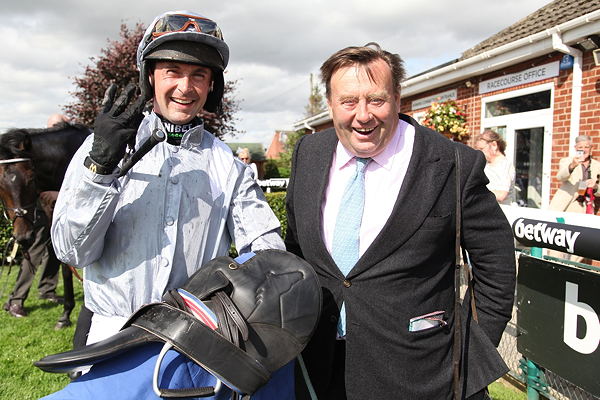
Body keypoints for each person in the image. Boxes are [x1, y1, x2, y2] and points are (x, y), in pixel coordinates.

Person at [285, 43, 516, 399]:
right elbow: (297, 249)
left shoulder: (453, 164)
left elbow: (496, 265)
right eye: (348, 102)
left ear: (397, 98)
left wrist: (471, 349)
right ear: (330, 103)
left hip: (418, 375)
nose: (362, 115)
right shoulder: (308, 153)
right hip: (318, 367)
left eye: (376, 100)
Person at [51, 10, 284, 344]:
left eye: (199, 75)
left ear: (211, 85)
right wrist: (100, 169)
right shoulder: (102, 147)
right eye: (172, 71)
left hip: (195, 338)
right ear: (151, 77)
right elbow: (72, 253)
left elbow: (266, 253)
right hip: (110, 334)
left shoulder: (227, 164)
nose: (185, 87)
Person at [549, 135, 600, 215]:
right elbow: (560, 177)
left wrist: (595, 187)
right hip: (567, 205)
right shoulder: (567, 161)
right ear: (576, 148)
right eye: (580, 147)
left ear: (591, 149)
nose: (583, 150)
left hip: (587, 206)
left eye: (586, 147)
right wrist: (572, 166)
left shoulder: (597, 165)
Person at [474, 130, 515, 205]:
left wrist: (476, 191)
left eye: (481, 149)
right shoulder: (486, 164)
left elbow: (501, 195)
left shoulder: (505, 164)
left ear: (494, 145)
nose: (478, 154)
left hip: (502, 213)